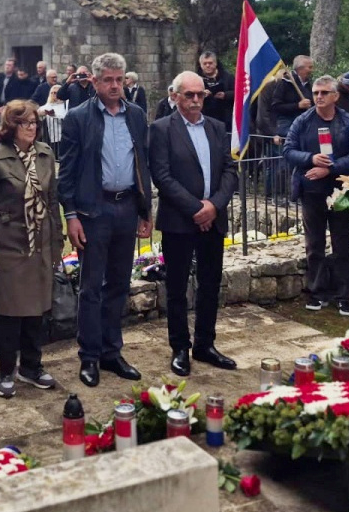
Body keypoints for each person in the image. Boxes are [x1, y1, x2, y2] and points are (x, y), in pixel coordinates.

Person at [58, 52, 152, 388]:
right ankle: (90, 356)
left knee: (118, 285)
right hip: (92, 213)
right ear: (95, 82)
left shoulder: (137, 116)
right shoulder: (78, 118)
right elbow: (66, 173)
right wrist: (71, 216)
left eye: (119, 79)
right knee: (91, 288)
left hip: (126, 208)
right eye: (108, 80)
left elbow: (144, 165)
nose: (115, 86)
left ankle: (112, 352)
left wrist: (146, 212)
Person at [150, 71, 239, 376]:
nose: (197, 100)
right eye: (190, 95)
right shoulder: (162, 129)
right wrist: (195, 209)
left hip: (213, 220)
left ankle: (205, 344)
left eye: (200, 94)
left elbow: (230, 170)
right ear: (174, 96)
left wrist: (213, 206)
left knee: (210, 284)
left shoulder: (216, 127)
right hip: (179, 221)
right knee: (176, 287)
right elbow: (162, 176)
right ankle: (179, 348)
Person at [0, 100, 63, 398]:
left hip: (40, 242)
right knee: (11, 312)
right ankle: (5, 371)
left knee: (37, 309)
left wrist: (57, 241)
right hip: (10, 244)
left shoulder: (45, 153)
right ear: (10, 126)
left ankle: (32, 366)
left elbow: (52, 201)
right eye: (25, 123)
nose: (32, 127)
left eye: (35, 122)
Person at [282, 75, 349, 317]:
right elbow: (288, 149)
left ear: (335, 96)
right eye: (316, 92)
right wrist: (310, 159)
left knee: (342, 244)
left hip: (340, 189)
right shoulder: (303, 120)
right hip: (312, 191)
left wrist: (330, 167)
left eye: (324, 93)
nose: (318, 97)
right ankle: (317, 292)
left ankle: (344, 296)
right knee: (314, 243)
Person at [269, 55, 314, 137]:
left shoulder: (309, 85)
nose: (312, 70)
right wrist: (298, 105)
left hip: (304, 125)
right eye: (310, 67)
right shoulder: (285, 82)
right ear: (300, 68)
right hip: (287, 125)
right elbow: (276, 106)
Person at [197, 51, 235, 125]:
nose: (208, 65)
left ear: (216, 63)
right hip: (204, 117)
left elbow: (238, 93)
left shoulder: (228, 77)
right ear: (201, 65)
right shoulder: (195, 78)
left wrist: (225, 95)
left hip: (225, 117)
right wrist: (201, 94)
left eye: (210, 63)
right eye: (205, 63)